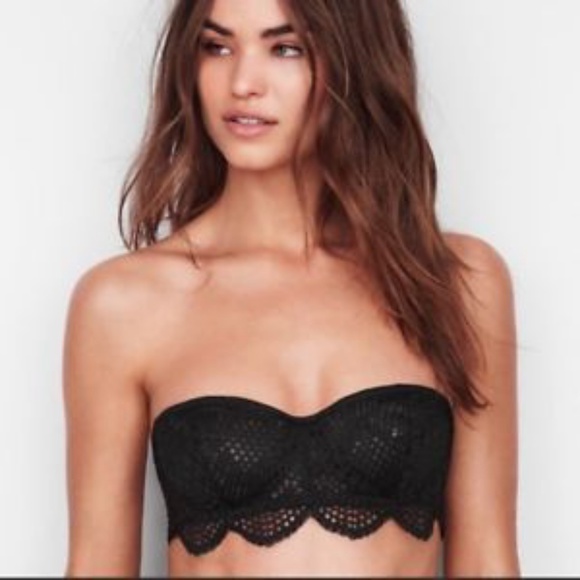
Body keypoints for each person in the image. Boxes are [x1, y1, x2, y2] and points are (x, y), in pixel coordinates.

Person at [63, 0, 520, 576]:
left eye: (286, 48)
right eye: (217, 47)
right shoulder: (124, 304)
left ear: (356, 61)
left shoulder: (457, 281)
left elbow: (487, 561)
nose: (242, 83)